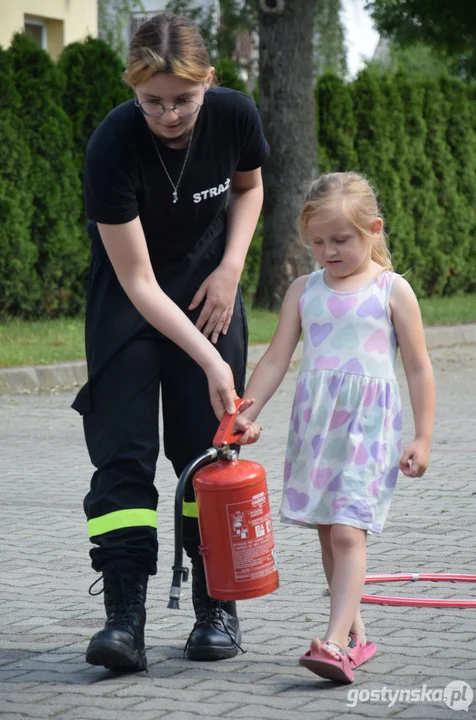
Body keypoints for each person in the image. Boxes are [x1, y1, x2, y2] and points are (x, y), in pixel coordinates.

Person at [71, 12, 269, 673]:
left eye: (182, 100)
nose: (169, 115)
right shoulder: (113, 144)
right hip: (130, 305)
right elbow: (134, 277)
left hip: (207, 293)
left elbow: (248, 186)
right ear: (133, 92)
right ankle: (124, 618)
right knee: (123, 458)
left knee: (206, 456)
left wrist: (230, 269)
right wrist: (210, 360)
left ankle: (215, 607)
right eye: (151, 101)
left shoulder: (235, 116)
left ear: (207, 82)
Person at [234, 172, 436, 683]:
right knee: (329, 533)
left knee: (348, 533)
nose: (329, 250)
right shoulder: (305, 290)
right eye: (318, 241)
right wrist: (245, 413)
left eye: (340, 239)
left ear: (373, 229)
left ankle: (334, 641)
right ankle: (357, 636)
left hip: (367, 432)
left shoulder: (393, 291)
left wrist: (424, 435)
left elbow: (418, 366)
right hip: (316, 431)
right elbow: (277, 359)